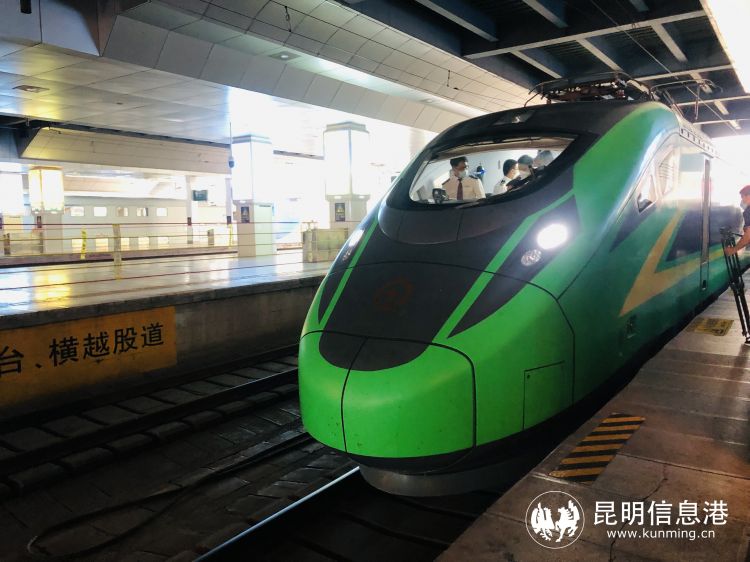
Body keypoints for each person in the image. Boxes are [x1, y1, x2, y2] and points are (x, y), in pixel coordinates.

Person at [725, 184, 750, 256]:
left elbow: (748, 235)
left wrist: (733, 250)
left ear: (748, 196)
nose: (742, 200)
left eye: (742, 197)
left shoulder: (748, 211)